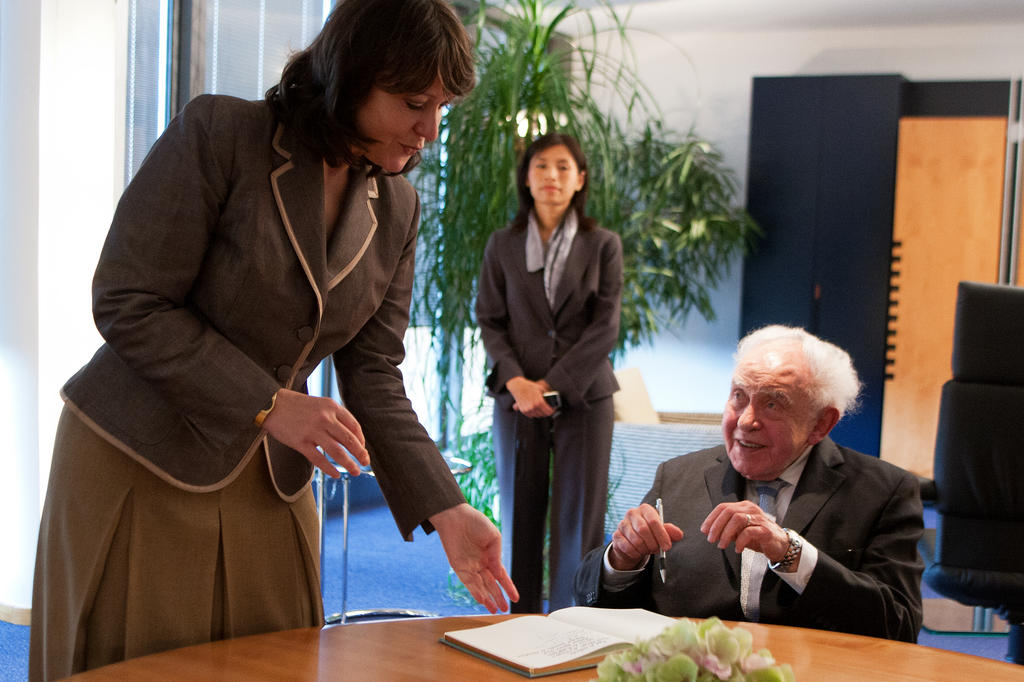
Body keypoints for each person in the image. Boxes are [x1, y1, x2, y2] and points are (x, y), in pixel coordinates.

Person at [29, 0, 517, 678]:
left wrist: (447, 507)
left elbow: (373, 371)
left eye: (442, 108)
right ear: (352, 75)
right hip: (140, 455)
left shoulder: (398, 207)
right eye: (414, 102)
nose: (429, 131)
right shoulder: (221, 134)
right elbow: (129, 301)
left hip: (270, 478)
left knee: (274, 664)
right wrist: (270, 402)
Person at [574, 325, 924, 642]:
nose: (746, 420)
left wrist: (790, 553)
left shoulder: (884, 492)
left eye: (773, 403)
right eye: (738, 396)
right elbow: (601, 601)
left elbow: (899, 624)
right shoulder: (676, 475)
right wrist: (621, 559)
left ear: (821, 423)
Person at [476, 133, 623, 613]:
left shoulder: (603, 245)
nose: (552, 177)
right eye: (541, 166)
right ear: (526, 176)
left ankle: (571, 623)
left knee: (580, 519)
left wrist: (552, 384)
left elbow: (605, 327)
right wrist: (518, 381)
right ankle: (517, 623)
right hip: (516, 396)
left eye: (564, 167)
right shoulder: (502, 244)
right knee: (520, 512)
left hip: (585, 396)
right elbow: (490, 319)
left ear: (580, 180)